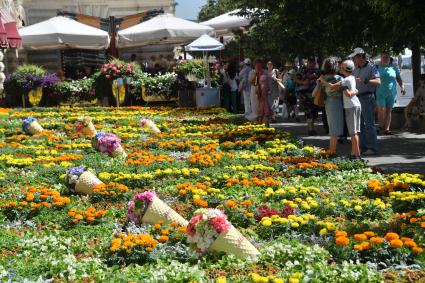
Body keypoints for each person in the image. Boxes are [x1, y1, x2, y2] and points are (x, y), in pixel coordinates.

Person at [320, 60, 361, 160]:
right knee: (354, 132)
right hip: (353, 106)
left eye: (341, 66)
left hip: (351, 106)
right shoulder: (350, 78)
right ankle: (354, 153)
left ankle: (356, 155)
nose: (339, 67)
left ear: (344, 68)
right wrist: (355, 91)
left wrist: (322, 80)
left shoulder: (345, 80)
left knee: (353, 132)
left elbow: (334, 87)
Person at [350, 47, 381, 155]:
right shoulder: (355, 69)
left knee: (369, 124)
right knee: (359, 125)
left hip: (367, 98)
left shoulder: (372, 67)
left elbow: (378, 81)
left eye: (354, 57)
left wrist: (366, 80)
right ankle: (363, 147)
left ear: (360, 56)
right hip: (357, 98)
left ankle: (372, 148)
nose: (353, 59)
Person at [314, 57, 343, 152]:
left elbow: (313, 94)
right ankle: (331, 151)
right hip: (339, 104)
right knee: (335, 129)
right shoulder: (340, 78)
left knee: (332, 127)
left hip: (328, 104)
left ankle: (331, 150)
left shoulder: (321, 79)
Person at [376, 51, 405, 135]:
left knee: (389, 111)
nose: (386, 59)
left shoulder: (393, 67)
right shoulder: (377, 67)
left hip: (392, 93)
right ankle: (380, 126)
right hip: (380, 92)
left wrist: (402, 86)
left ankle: (387, 129)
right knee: (381, 109)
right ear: (381, 58)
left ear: (390, 58)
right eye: (384, 57)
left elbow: (399, 78)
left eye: (387, 57)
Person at [293, 57, 321, 135]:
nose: (312, 64)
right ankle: (310, 129)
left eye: (313, 63)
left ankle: (312, 128)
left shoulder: (317, 71)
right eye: (310, 63)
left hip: (315, 94)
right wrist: (302, 82)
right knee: (308, 112)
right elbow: (295, 78)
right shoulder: (302, 70)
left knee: (314, 112)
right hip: (305, 95)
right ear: (307, 63)